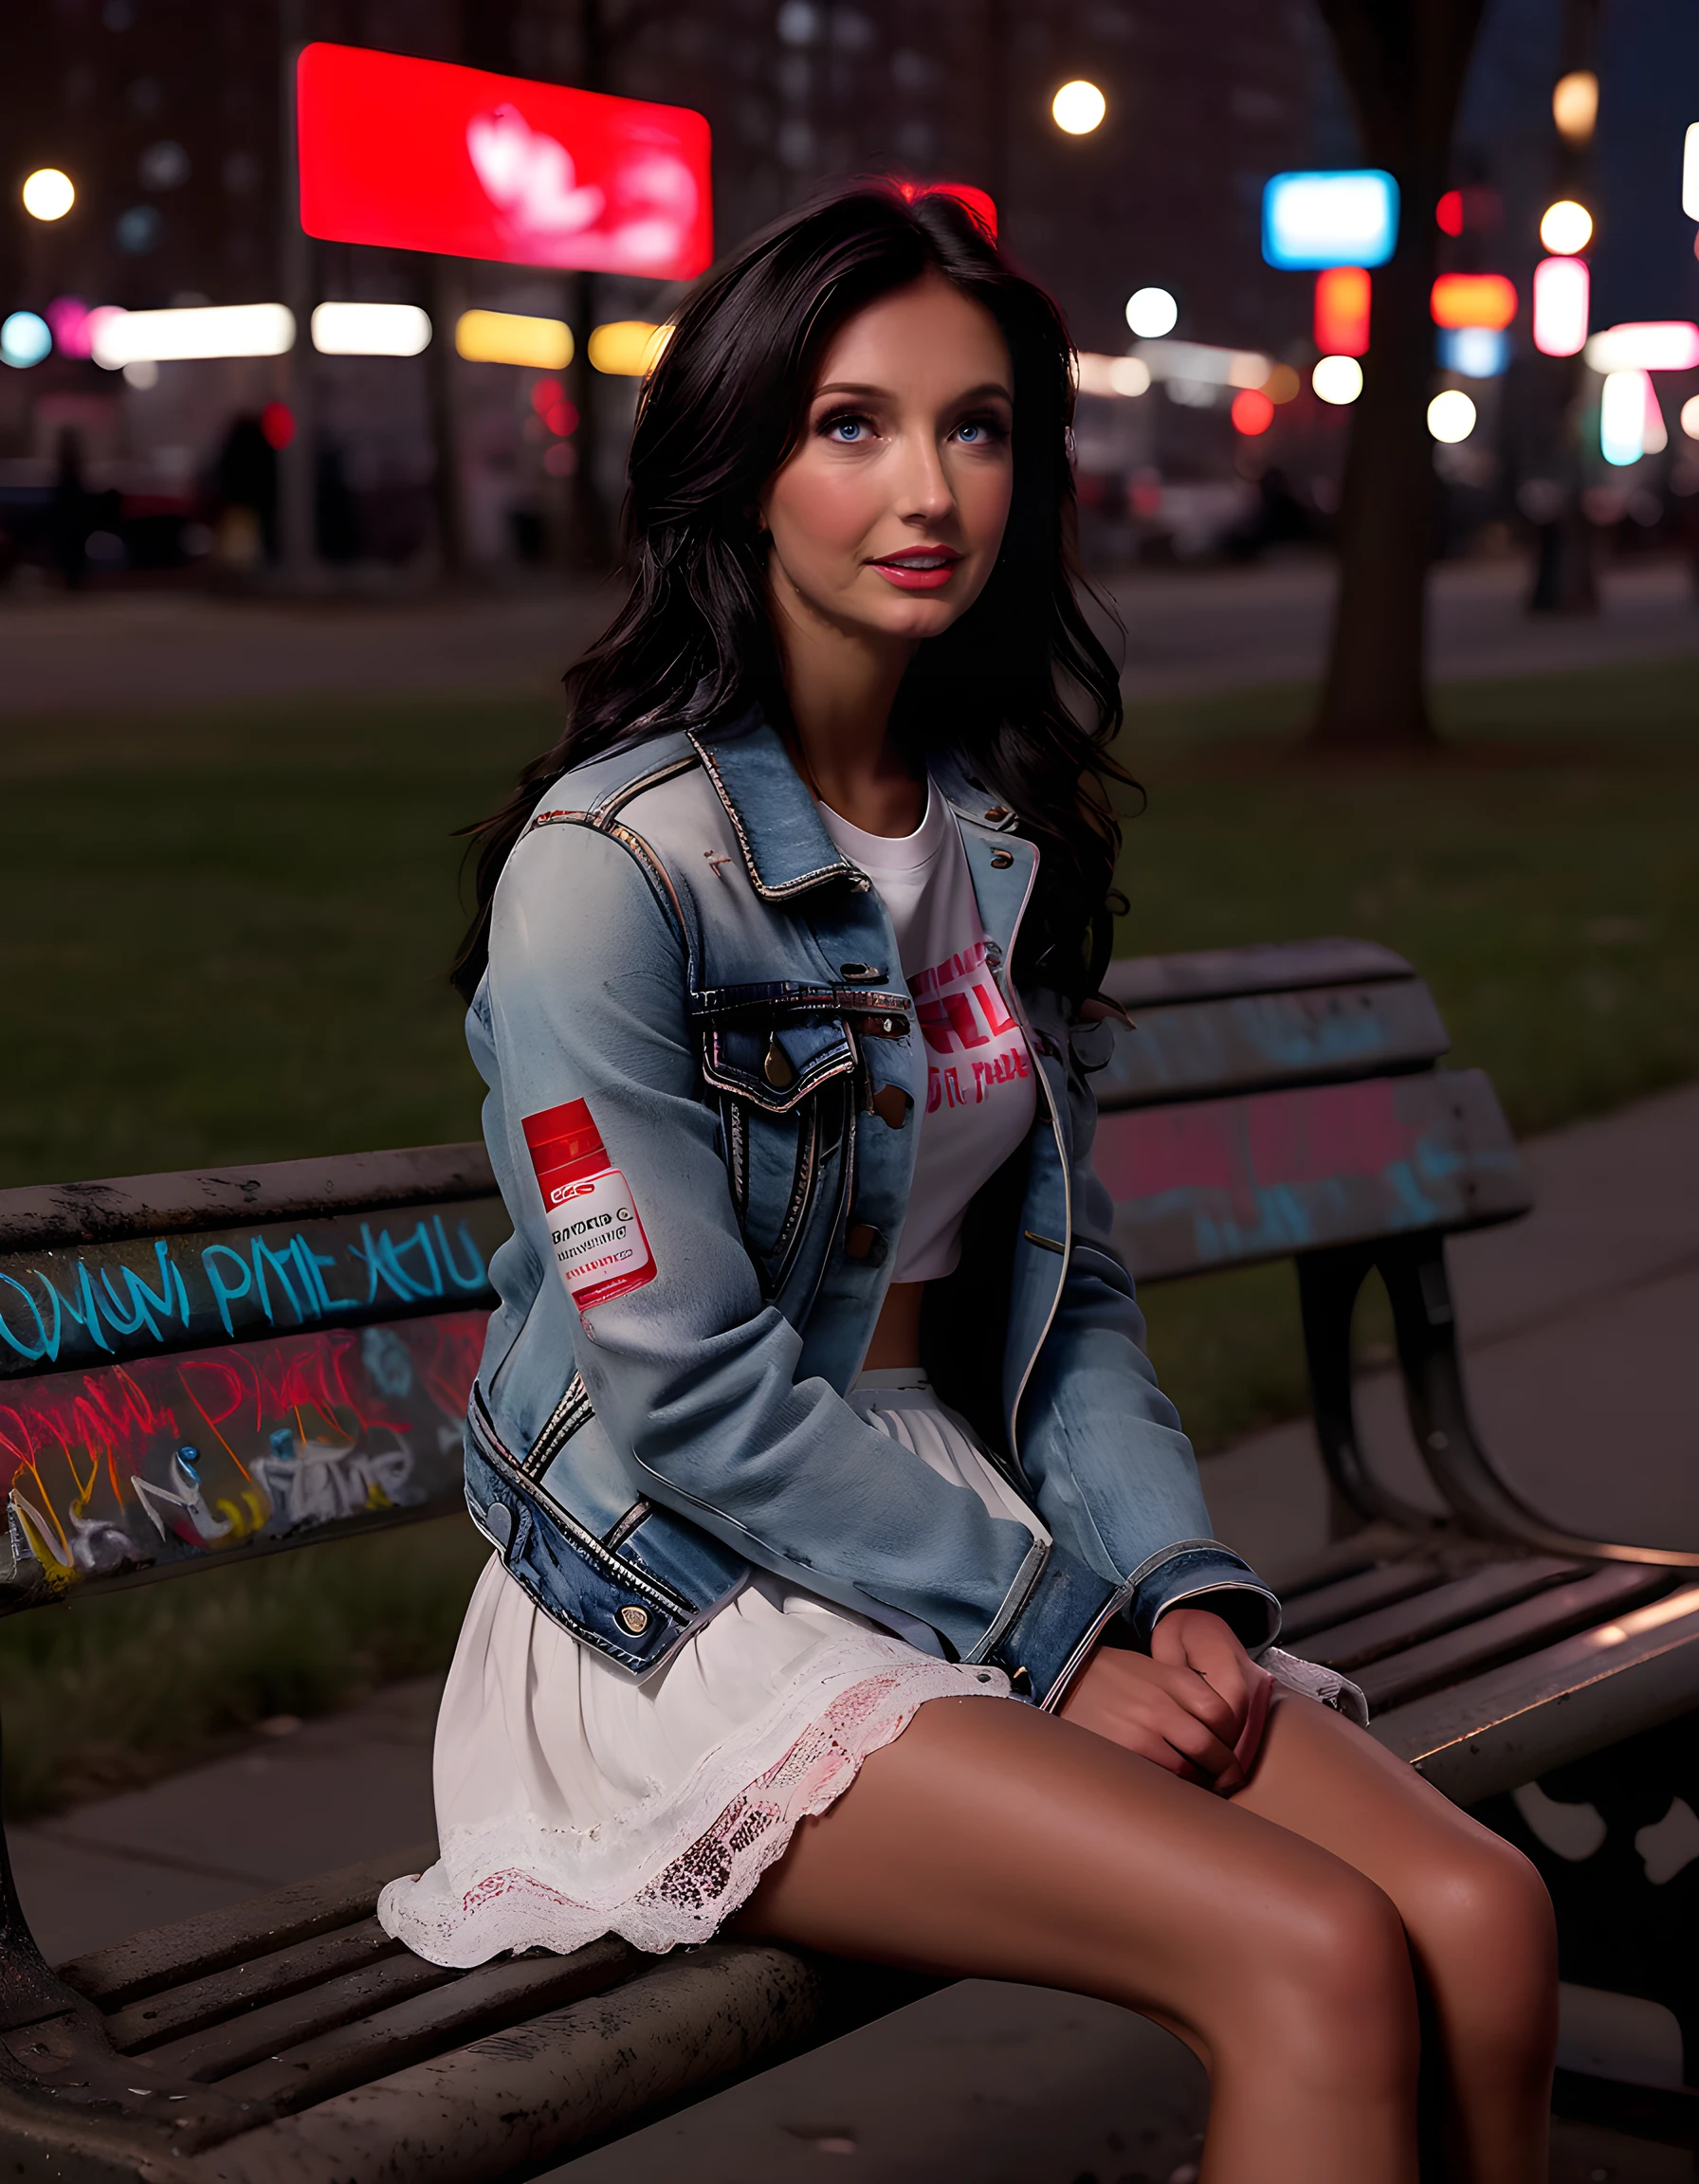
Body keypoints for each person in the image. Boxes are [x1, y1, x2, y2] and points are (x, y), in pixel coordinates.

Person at [379, 186, 1557, 2181]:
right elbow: (682, 1392)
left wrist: (1168, 1584)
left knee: (1479, 1917)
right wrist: (1051, 1631)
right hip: (690, 1601)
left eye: (978, 424)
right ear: (742, 463)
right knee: (1311, 1957)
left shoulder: (989, 846)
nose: (926, 483)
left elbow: (1066, 1300)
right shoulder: (611, 869)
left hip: (980, 1538)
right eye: (852, 423)